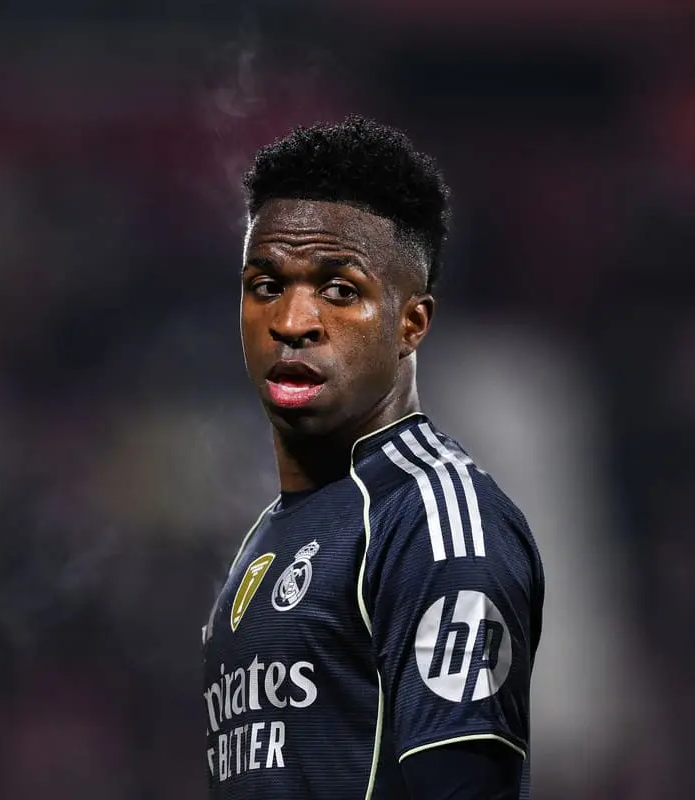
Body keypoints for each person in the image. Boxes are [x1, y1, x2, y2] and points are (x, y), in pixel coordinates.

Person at [201, 116, 545, 800]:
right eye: (266, 285)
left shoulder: (434, 520)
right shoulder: (263, 543)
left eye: (339, 290)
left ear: (410, 324)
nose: (292, 322)